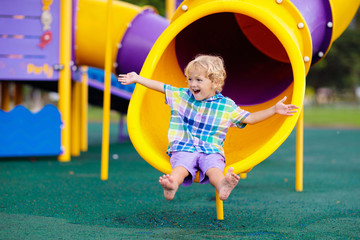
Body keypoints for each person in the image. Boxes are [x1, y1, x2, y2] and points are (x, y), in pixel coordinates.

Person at [118, 54, 298, 201]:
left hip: (210, 149)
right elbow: (162, 87)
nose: (192, 84)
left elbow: (250, 118)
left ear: (214, 82)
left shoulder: (226, 106)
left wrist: (274, 110)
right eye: (190, 79)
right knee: (181, 165)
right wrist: (137, 78)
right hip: (184, 145)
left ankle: (223, 186)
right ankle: (172, 184)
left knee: (214, 168)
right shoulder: (182, 95)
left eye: (198, 79)